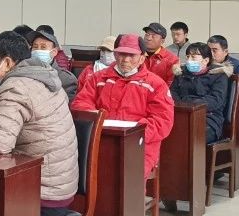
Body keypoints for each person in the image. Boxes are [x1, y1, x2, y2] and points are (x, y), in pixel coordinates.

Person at [0, 31, 78, 216]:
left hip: (41, 194)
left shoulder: (16, 87)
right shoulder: (43, 77)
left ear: (7, 63)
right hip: (59, 188)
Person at [72, 35, 174, 180]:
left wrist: (135, 133)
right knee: (86, 172)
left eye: (131, 55)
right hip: (100, 139)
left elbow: (163, 121)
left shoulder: (156, 84)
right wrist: (96, 119)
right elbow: (80, 104)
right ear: (115, 54)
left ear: (142, 58)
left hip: (139, 145)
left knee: (129, 177)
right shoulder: (98, 78)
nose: (125, 60)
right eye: (121, 54)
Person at [169, 43, 232, 144]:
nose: (189, 60)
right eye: (188, 57)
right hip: (181, 114)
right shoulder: (181, 73)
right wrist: (181, 106)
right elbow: (172, 92)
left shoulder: (218, 75)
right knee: (165, 129)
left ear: (206, 60)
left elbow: (215, 100)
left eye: (193, 57)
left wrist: (190, 105)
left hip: (208, 118)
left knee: (190, 134)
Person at [29, 26, 78, 99]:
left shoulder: (66, 79)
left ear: (54, 52)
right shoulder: (24, 72)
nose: (38, 50)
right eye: (35, 47)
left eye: (43, 47)